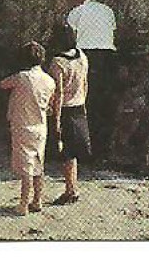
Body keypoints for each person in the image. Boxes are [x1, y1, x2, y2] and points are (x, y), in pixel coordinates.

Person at [0, 41, 57, 216]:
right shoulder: (49, 81)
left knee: (26, 168)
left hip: (22, 125)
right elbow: (51, 105)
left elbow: (2, 84)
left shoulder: (21, 77)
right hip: (41, 126)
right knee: (39, 163)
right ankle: (37, 200)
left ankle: (23, 203)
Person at [66, 0, 117, 159]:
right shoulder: (108, 11)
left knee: (83, 101)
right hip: (108, 57)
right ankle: (103, 147)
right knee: (103, 103)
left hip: (87, 56)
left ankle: (85, 147)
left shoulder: (77, 12)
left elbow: (70, 37)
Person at [45, 23, 90, 205]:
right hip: (79, 106)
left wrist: (55, 121)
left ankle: (70, 189)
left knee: (66, 152)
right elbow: (85, 83)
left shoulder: (57, 63)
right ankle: (72, 188)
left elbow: (57, 94)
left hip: (64, 109)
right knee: (73, 152)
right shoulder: (82, 56)